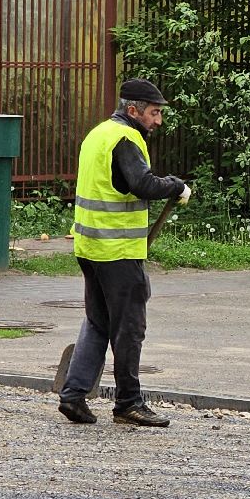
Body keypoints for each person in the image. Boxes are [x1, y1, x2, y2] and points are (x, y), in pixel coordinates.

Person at [56, 78, 191, 427]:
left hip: (89, 246)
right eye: (153, 113)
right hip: (117, 250)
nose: (158, 121)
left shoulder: (98, 134)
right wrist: (174, 184)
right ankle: (128, 403)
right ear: (133, 110)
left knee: (98, 321)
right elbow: (141, 183)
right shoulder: (125, 139)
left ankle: (74, 395)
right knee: (129, 327)